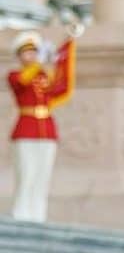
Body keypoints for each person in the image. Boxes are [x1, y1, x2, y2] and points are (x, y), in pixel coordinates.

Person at [7, 31, 75, 222]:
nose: (31, 56)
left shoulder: (44, 76)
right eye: (27, 52)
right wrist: (38, 64)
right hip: (26, 130)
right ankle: (21, 213)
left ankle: (38, 215)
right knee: (26, 174)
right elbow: (22, 81)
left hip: (46, 131)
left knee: (42, 175)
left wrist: (66, 54)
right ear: (19, 56)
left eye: (34, 52)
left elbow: (61, 88)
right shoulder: (15, 75)